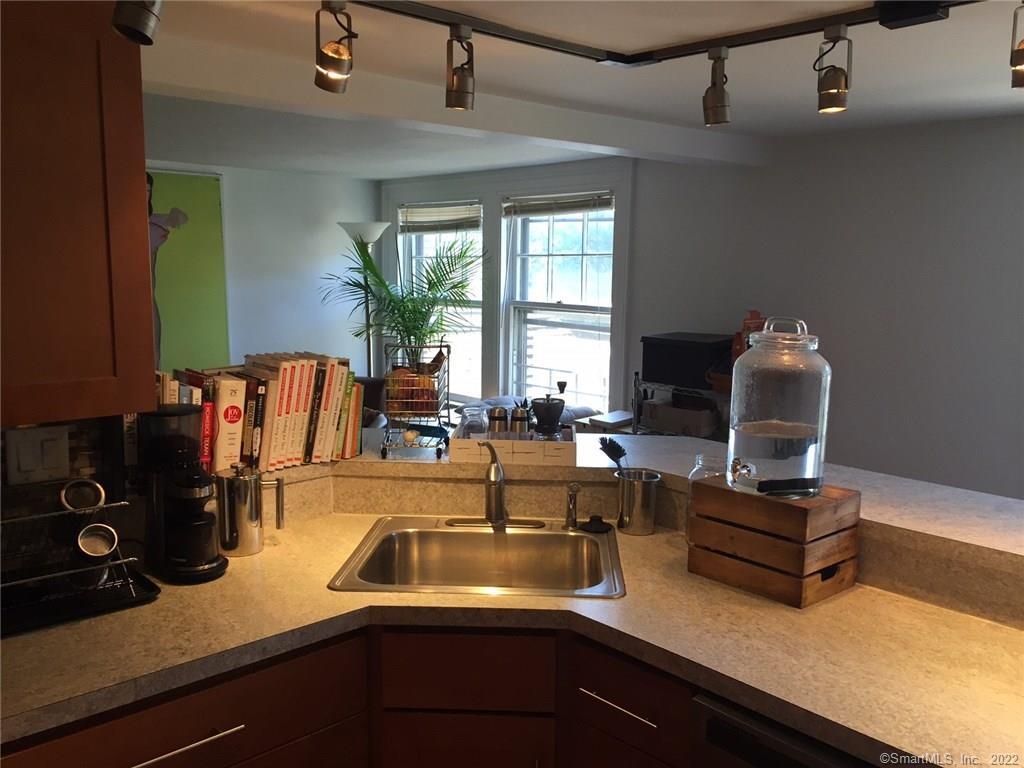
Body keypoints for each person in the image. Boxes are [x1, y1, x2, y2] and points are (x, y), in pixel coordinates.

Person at [147, 172, 188, 368]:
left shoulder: (153, 221)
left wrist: (173, 217)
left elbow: (180, 218)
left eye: (147, 191)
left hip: (146, 300)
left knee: (151, 359)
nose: (144, 195)